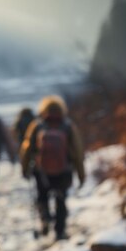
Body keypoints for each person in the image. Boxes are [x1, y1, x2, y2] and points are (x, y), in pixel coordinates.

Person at [19, 95, 85, 241]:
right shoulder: (68, 126)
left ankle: (45, 219)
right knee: (61, 199)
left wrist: (25, 168)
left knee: (42, 196)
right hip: (64, 170)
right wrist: (81, 175)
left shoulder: (37, 125)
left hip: (41, 171)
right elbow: (78, 152)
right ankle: (60, 231)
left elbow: (27, 148)